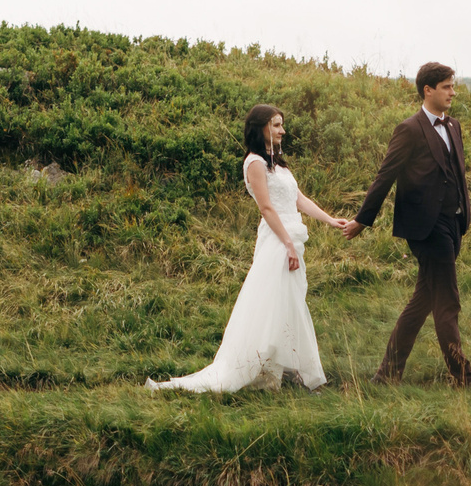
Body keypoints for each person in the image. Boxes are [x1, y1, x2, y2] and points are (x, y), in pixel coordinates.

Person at [148, 105, 355, 394]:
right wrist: (287, 244)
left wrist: (330, 220)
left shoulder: (278, 163)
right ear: (261, 128)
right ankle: (278, 368)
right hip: (278, 240)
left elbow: (298, 198)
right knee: (274, 302)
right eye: (276, 125)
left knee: (289, 301)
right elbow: (266, 208)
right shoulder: (254, 162)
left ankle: (282, 368)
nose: (283, 130)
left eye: (282, 125)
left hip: (291, 237)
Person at [347, 62, 471, 388]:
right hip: (426, 229)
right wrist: (362, 220)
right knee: (447, 301)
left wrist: (462, 216)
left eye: (452, 86)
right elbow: (386, 176)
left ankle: (386, 376)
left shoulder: (453, 126)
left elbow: (456, 174)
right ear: (428, 90)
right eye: (447, 87)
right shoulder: (409, 129)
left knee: (422, 301)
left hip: (453, 224)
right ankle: (464, 379)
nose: (453, 92)